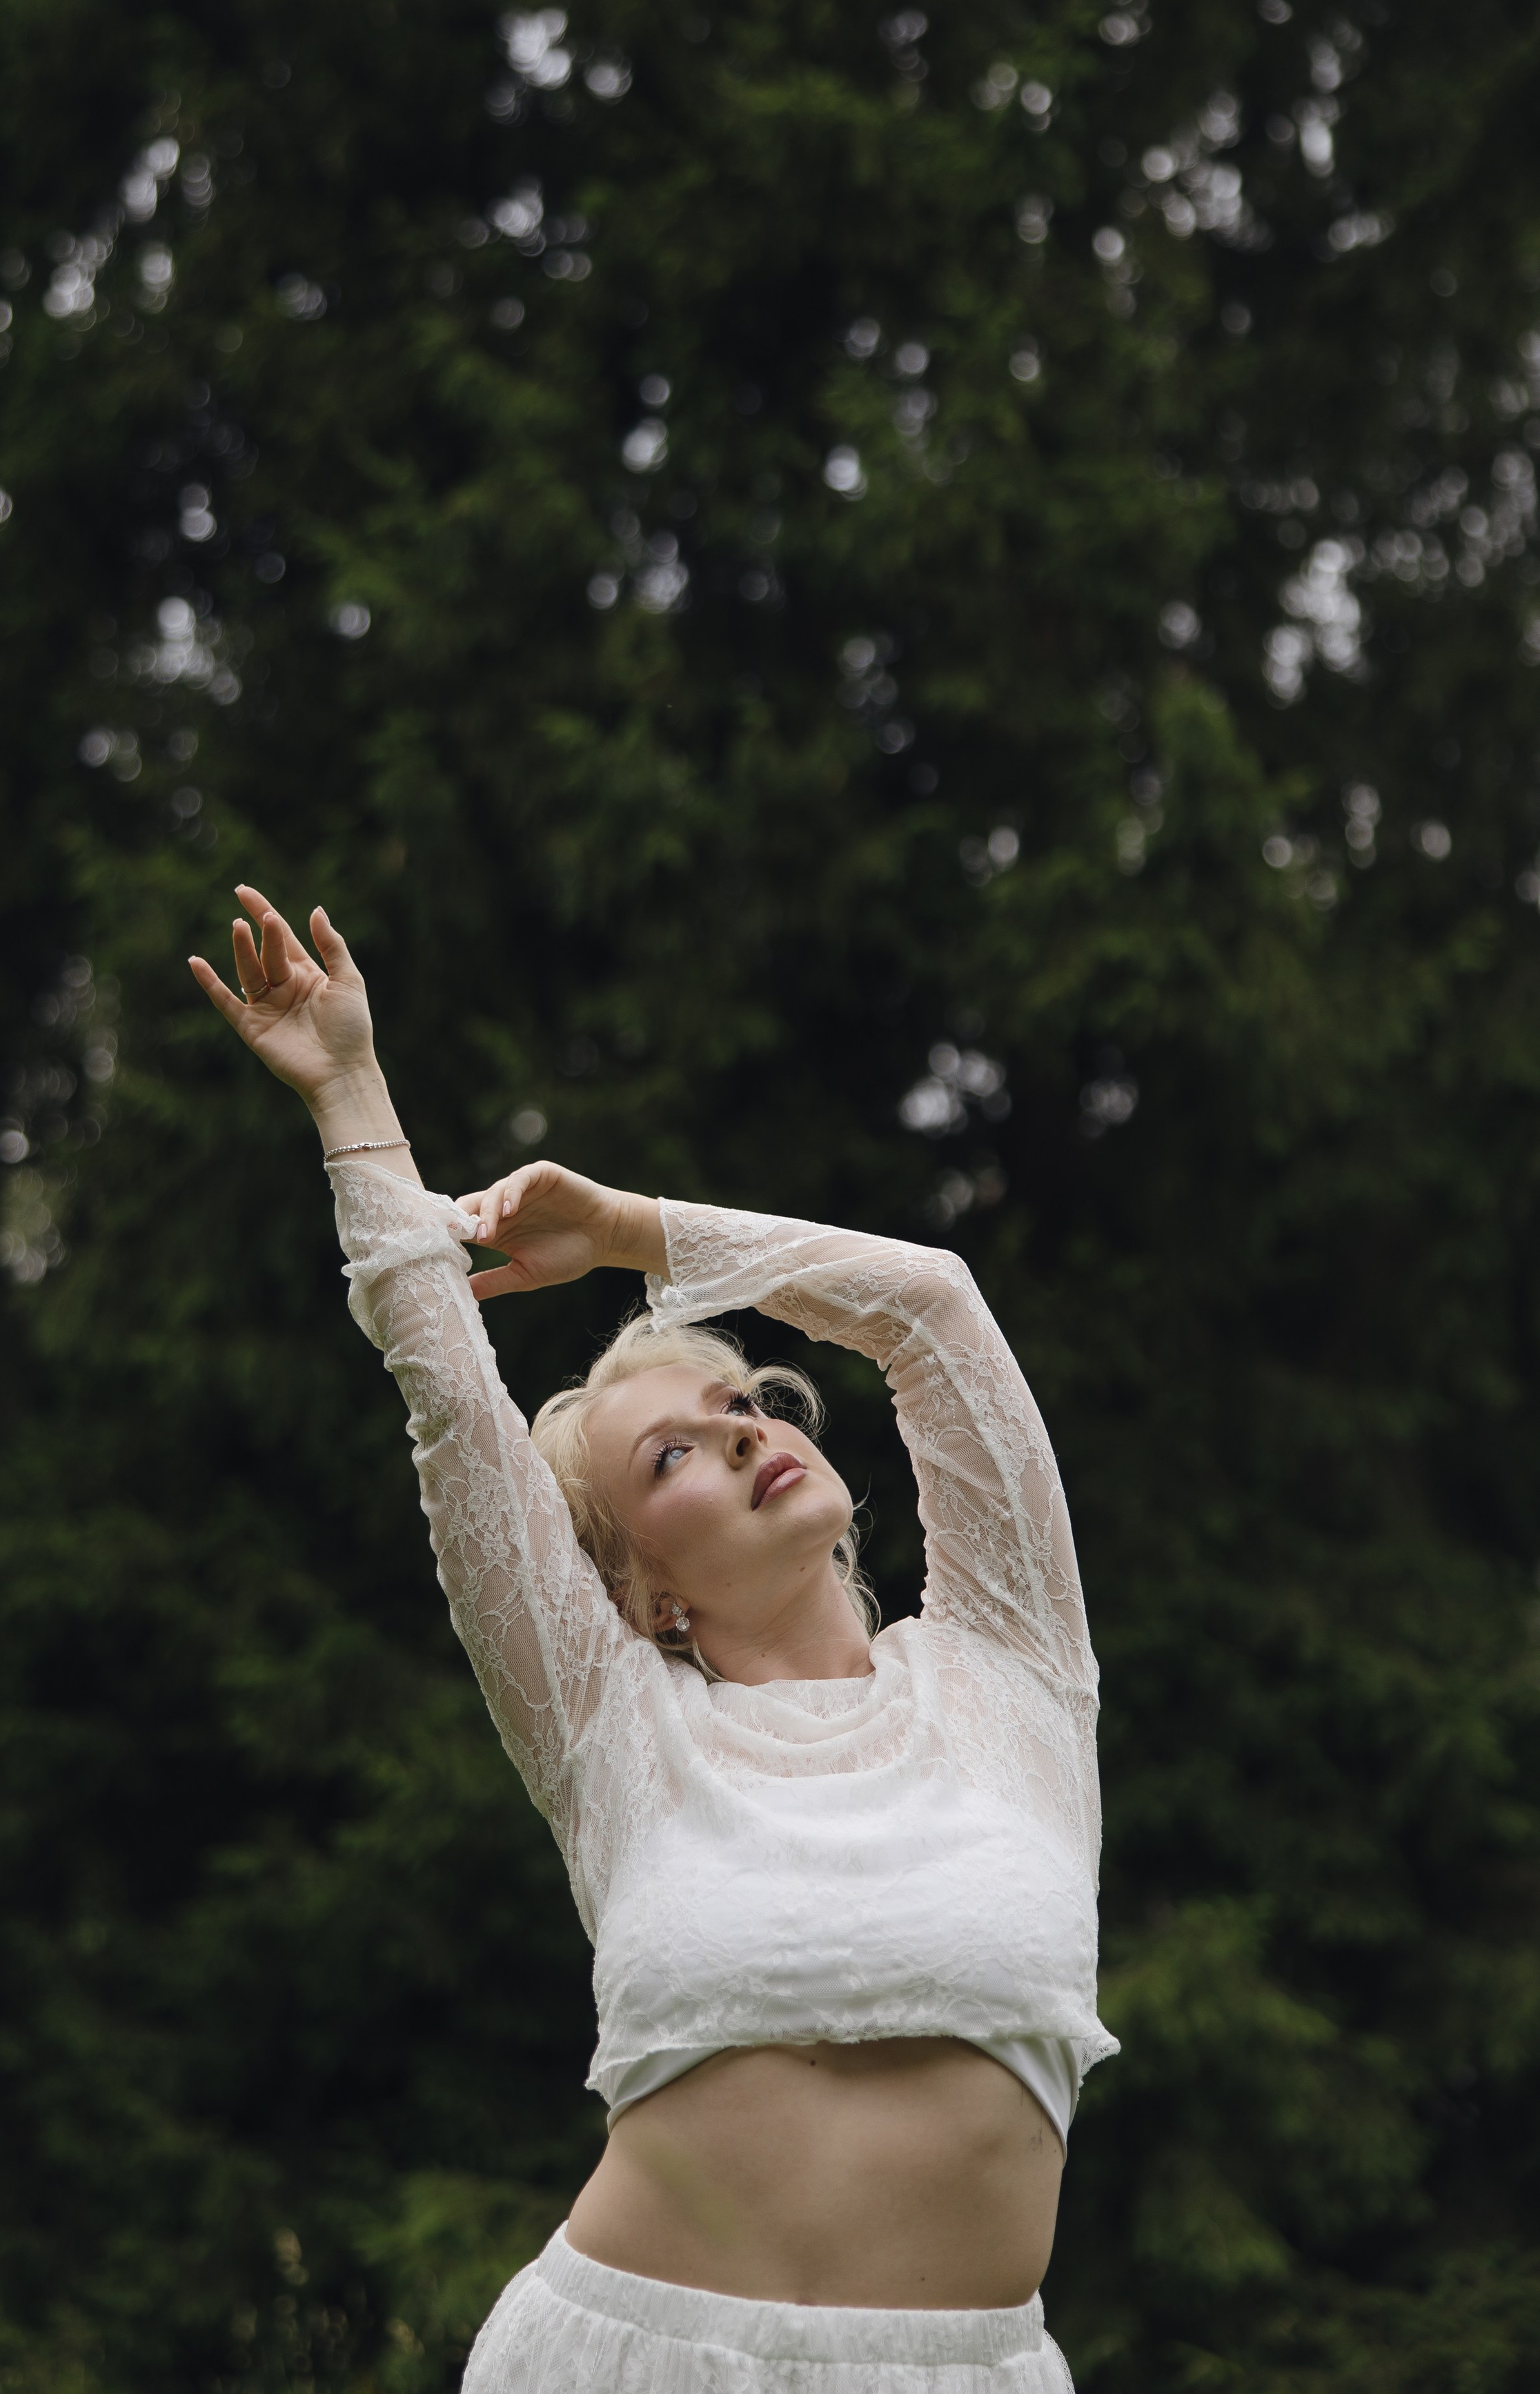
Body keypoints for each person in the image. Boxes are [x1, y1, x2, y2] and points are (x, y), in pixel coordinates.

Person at [191, 887, 1117, 2394]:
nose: (742, 1431)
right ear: (645, 1594)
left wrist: (635, 1232)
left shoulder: (1011, 1670)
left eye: (741, 1402)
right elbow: (448, 1395)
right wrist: (351, 1096)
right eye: (671, 1455)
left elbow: (931, 1311)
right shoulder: (612, 1724)